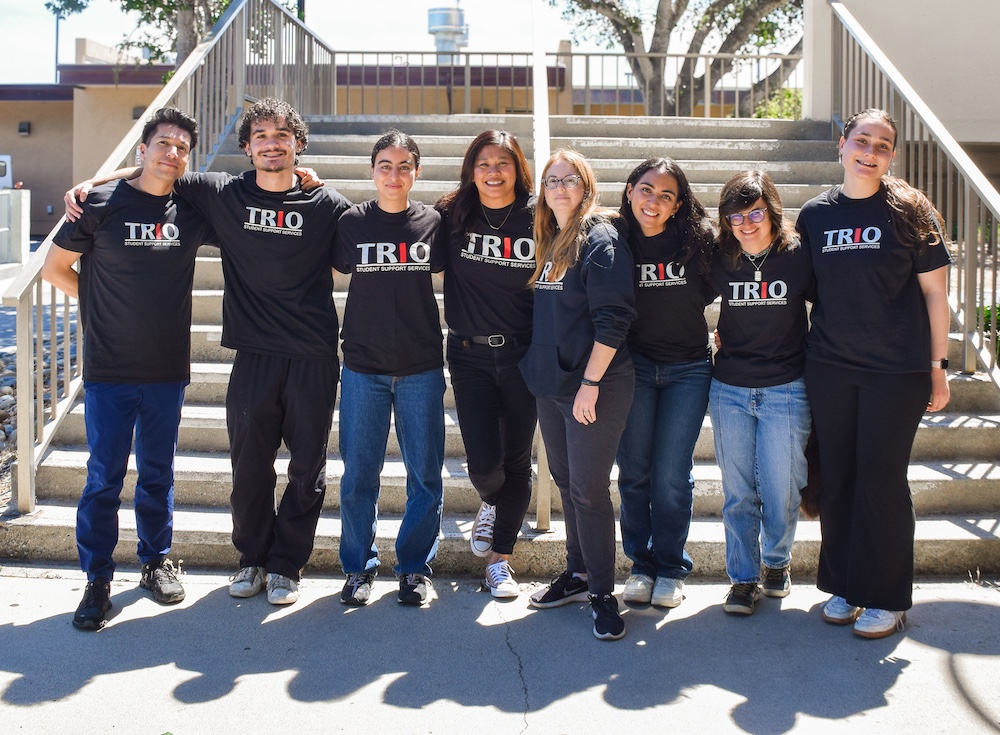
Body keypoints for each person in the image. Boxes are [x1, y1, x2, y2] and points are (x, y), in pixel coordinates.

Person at [66, 98, 351, 606]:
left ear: (298, 145)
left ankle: (288, 565)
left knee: (307, 469)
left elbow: (363, 246)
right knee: (249, 468)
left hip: (312, 354)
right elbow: (159, 167)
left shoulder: (326, 203)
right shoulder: (220, 193)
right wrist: (94, 182)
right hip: (253, 353)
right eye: (260, 135)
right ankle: (253, 560)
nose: (271, 143)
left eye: (282, 135)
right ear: (245, 147)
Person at [44, 107, 214, 630]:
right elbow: (55, 269)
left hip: (166, 368)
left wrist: (305, 176)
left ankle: (155, 561)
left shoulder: (192, 207)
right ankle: (97, 579)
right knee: (103, 477)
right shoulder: (97, 205)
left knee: (157, 474)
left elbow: (254, 185)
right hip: (110, 368)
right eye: (164, 143)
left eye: (182, 148)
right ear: (143, 149)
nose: (173, 154)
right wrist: (101, 307)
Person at [796, 108, 952, 639]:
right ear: (842, 144)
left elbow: (935, 295)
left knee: (881, 481)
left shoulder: (910, 211)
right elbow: (802, 292)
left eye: (883, 145)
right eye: (862, 140)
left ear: (891, 155)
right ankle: (843, 586)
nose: (871, 151)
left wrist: (939, 367)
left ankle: (886, 595)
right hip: (831, 367)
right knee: (837, 478)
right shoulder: (815, 215)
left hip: (897, 370)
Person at [520, 150, 636, 640]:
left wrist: (590, 384)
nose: (560, 187)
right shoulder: (551, 238)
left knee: (588, 491)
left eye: (570, 180)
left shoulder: (600, 239)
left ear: (587, 186)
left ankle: (604, 594)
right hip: (554, 384)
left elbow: (614, 320)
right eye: (551, 180)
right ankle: (578, 574)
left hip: (593, 386)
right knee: (568, 486)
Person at [334, 130, 446, 607]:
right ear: (372, 170)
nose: (394, 174)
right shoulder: (351, 222)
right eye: (385, 165)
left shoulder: (434, 223)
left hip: (421, 366)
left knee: (425, 474)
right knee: (359, 473)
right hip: (363, 367)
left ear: (416, 172)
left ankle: (414, 568)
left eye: (405, 166)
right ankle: (359, 567)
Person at [435, 130, 536, 598]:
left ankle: (500, 561)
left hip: (524, 352)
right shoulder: (452, 212)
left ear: (518, 167)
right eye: (483, 163)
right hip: (469, 353)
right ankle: (493, 500)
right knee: (484, 467)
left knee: (516, 460)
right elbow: (394, 220)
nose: (493, 172)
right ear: (470, 170)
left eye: (503, 163)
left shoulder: (539, 217)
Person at [709, 170, 813, 615]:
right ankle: (743, 578)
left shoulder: (798, 257)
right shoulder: (719, 258)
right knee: (738, 491)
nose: (747, 223)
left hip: (785, 387)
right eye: (737, 215)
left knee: (783, 487)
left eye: (755, 213)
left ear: (772, 212)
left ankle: (776, 562)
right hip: (729, 387)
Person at [613, 158, 716, 609]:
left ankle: (671, 567)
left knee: (673, 474)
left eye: (666, 195)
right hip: (632, 368)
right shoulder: (613, 238)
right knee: (634, 471)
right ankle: (640, 565)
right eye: (647, 190)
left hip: (688, 370)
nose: (654, 201)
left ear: (677, 205)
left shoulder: (698, 242)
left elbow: (725, 289)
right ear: (631, 190)